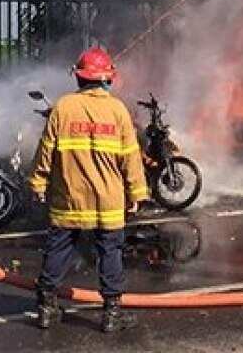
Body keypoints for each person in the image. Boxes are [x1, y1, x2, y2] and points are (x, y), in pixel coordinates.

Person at [29, 47, 149, 333]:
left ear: (79, 78)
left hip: (69, 195)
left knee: (58, 248)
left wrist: (37, 183)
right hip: (108, 199)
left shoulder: (63, 107)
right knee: (110, 252)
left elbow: (45, 151)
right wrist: (137, 193)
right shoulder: (118, 110)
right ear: (107, 78)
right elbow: (131, 157)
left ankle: (46, 309)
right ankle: (111, 314)